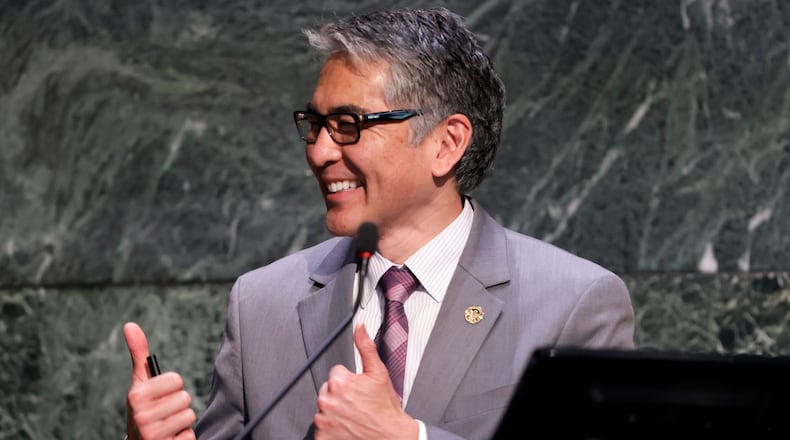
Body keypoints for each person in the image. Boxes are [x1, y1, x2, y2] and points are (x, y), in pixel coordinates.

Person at [123, 6, 635, 440]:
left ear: (446, 143)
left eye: (349, 125)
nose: (320, 152)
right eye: (315, 124)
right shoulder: (261, 305)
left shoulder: (573, 304)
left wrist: (411, 439)